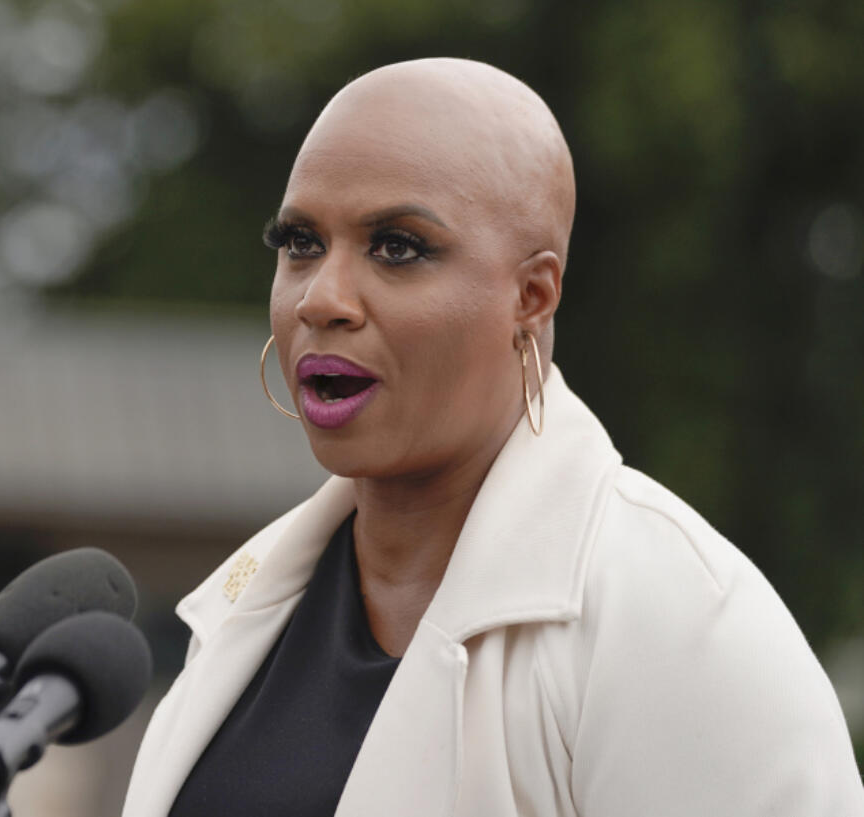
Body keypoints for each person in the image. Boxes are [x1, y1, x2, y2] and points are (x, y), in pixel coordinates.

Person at [120, 58, 864, 816]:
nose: (322, 298)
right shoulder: (245, 605)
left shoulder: (682, 619)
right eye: (301, 243)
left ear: (532, 296)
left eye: (396, 247)